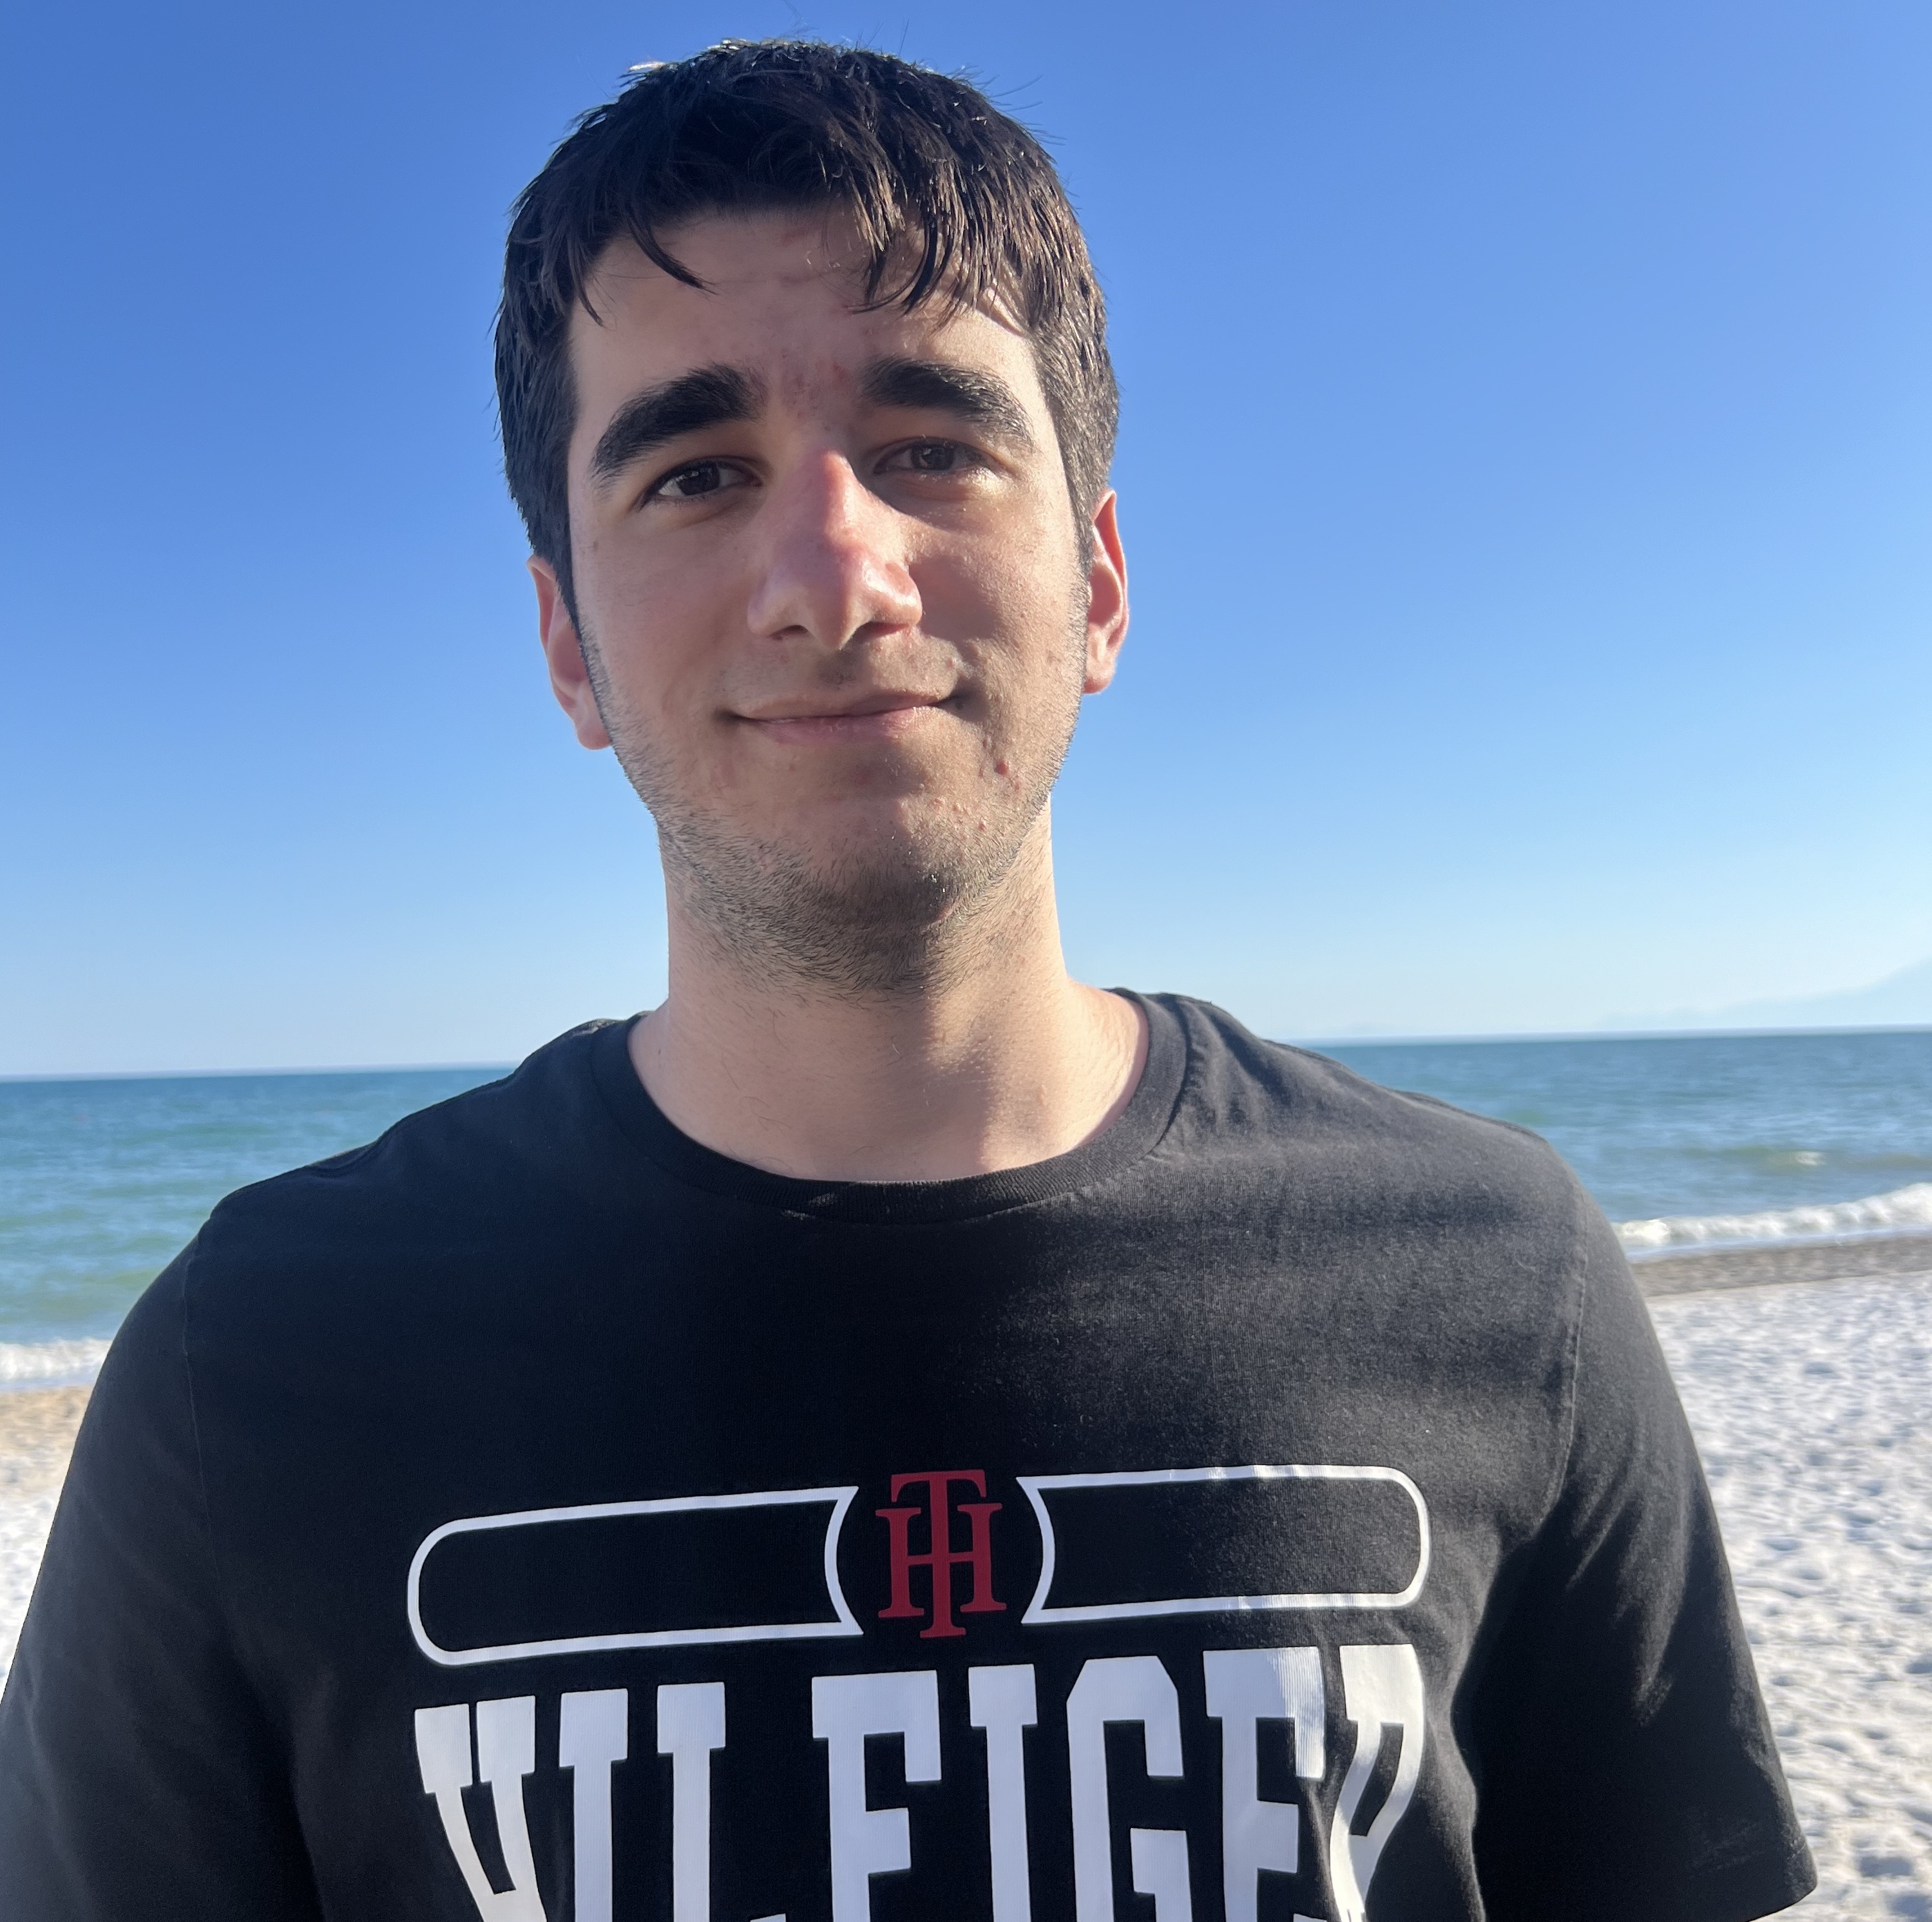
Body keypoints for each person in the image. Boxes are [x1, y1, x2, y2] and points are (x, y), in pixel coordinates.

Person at [0, 40, 1813, 1922]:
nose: (835, 576)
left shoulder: (1500, 1271)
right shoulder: (256, 1362)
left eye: (932, 446)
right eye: (695, 473)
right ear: (567, 644)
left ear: (1098, 581)